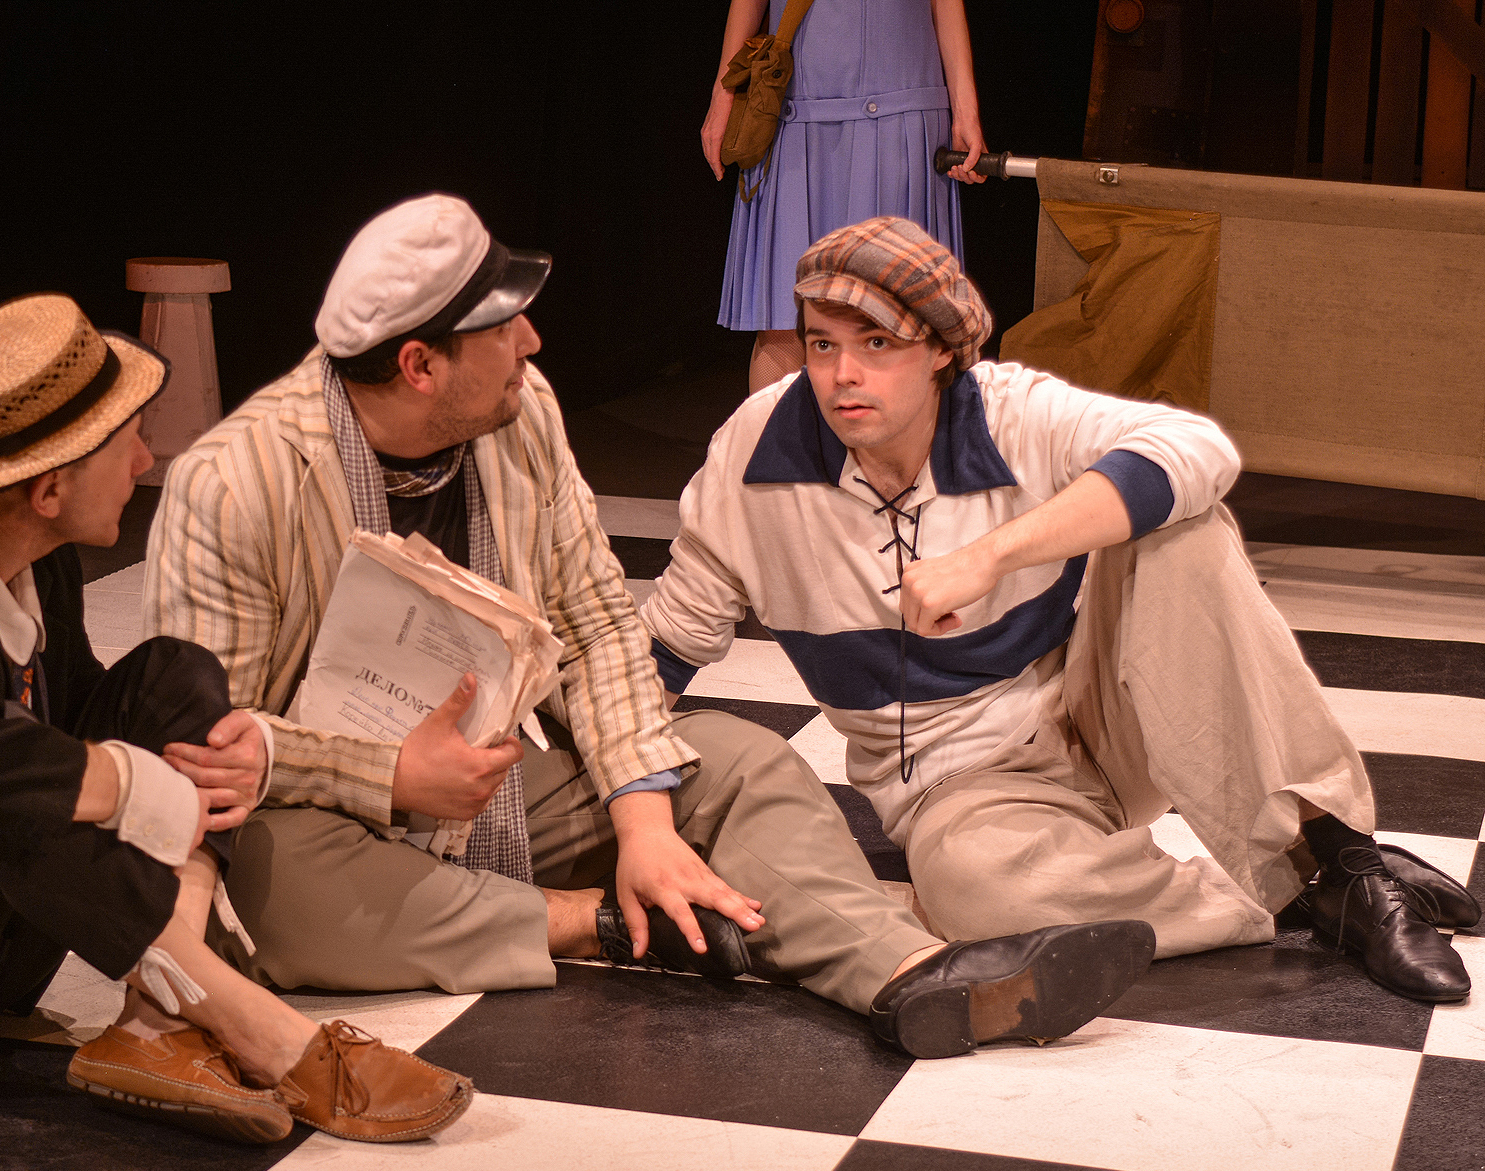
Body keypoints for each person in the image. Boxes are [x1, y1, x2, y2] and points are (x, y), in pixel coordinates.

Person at [145, 192, 1159, 1061]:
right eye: (504, 328)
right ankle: (597, 924)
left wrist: (641, 823)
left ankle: (909, 976)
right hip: (324, 815)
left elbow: (595, 622)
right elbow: (210, 754)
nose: (532, 344)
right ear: (420, 365)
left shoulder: (520, 411)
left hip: (500, 780)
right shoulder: (234, 483)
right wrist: (390, 777)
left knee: (740, 762)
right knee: (275, 890)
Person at [0, 293, 472, 1146]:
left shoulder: (30, 546)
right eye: (126, 439)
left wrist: (213, 763)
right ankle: (250, 1022)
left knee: (175, 679)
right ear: (49, 488)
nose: (145, 457)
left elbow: (78, 712)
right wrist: (128, 784)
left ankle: (158, 1020)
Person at [641, 216, 1480, 1004]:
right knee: (978, 893)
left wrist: (989, 557)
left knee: (1183, 529)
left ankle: (1340, 854)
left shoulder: (1010, 411)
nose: (841, 374)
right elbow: (666, 646)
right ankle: (1294, 895)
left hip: (1109, 713)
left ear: (941, 352)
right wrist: (620, 805)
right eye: (823, 343)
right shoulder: (756, 451)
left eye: (877, 344)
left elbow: (1199, 450)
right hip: (960, 782)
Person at [702, 0, 987, 395]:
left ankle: (889, 439)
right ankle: (778, 438)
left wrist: (966, 109)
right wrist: (724, 93)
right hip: (795, 111)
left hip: (902, 110)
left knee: (899, 320)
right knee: (783, 322)